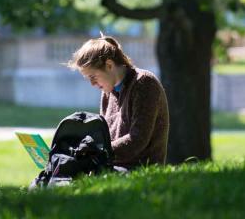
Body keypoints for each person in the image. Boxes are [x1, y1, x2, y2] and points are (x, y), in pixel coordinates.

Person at [67, 33, 169, 170]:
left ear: (109, 65)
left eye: (93, 76)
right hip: (113, 167)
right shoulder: (107, 92)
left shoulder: (144, 83)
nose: (92, 84)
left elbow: (137, 140)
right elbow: (105, 136)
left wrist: (97, 151)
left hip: (140, 170)